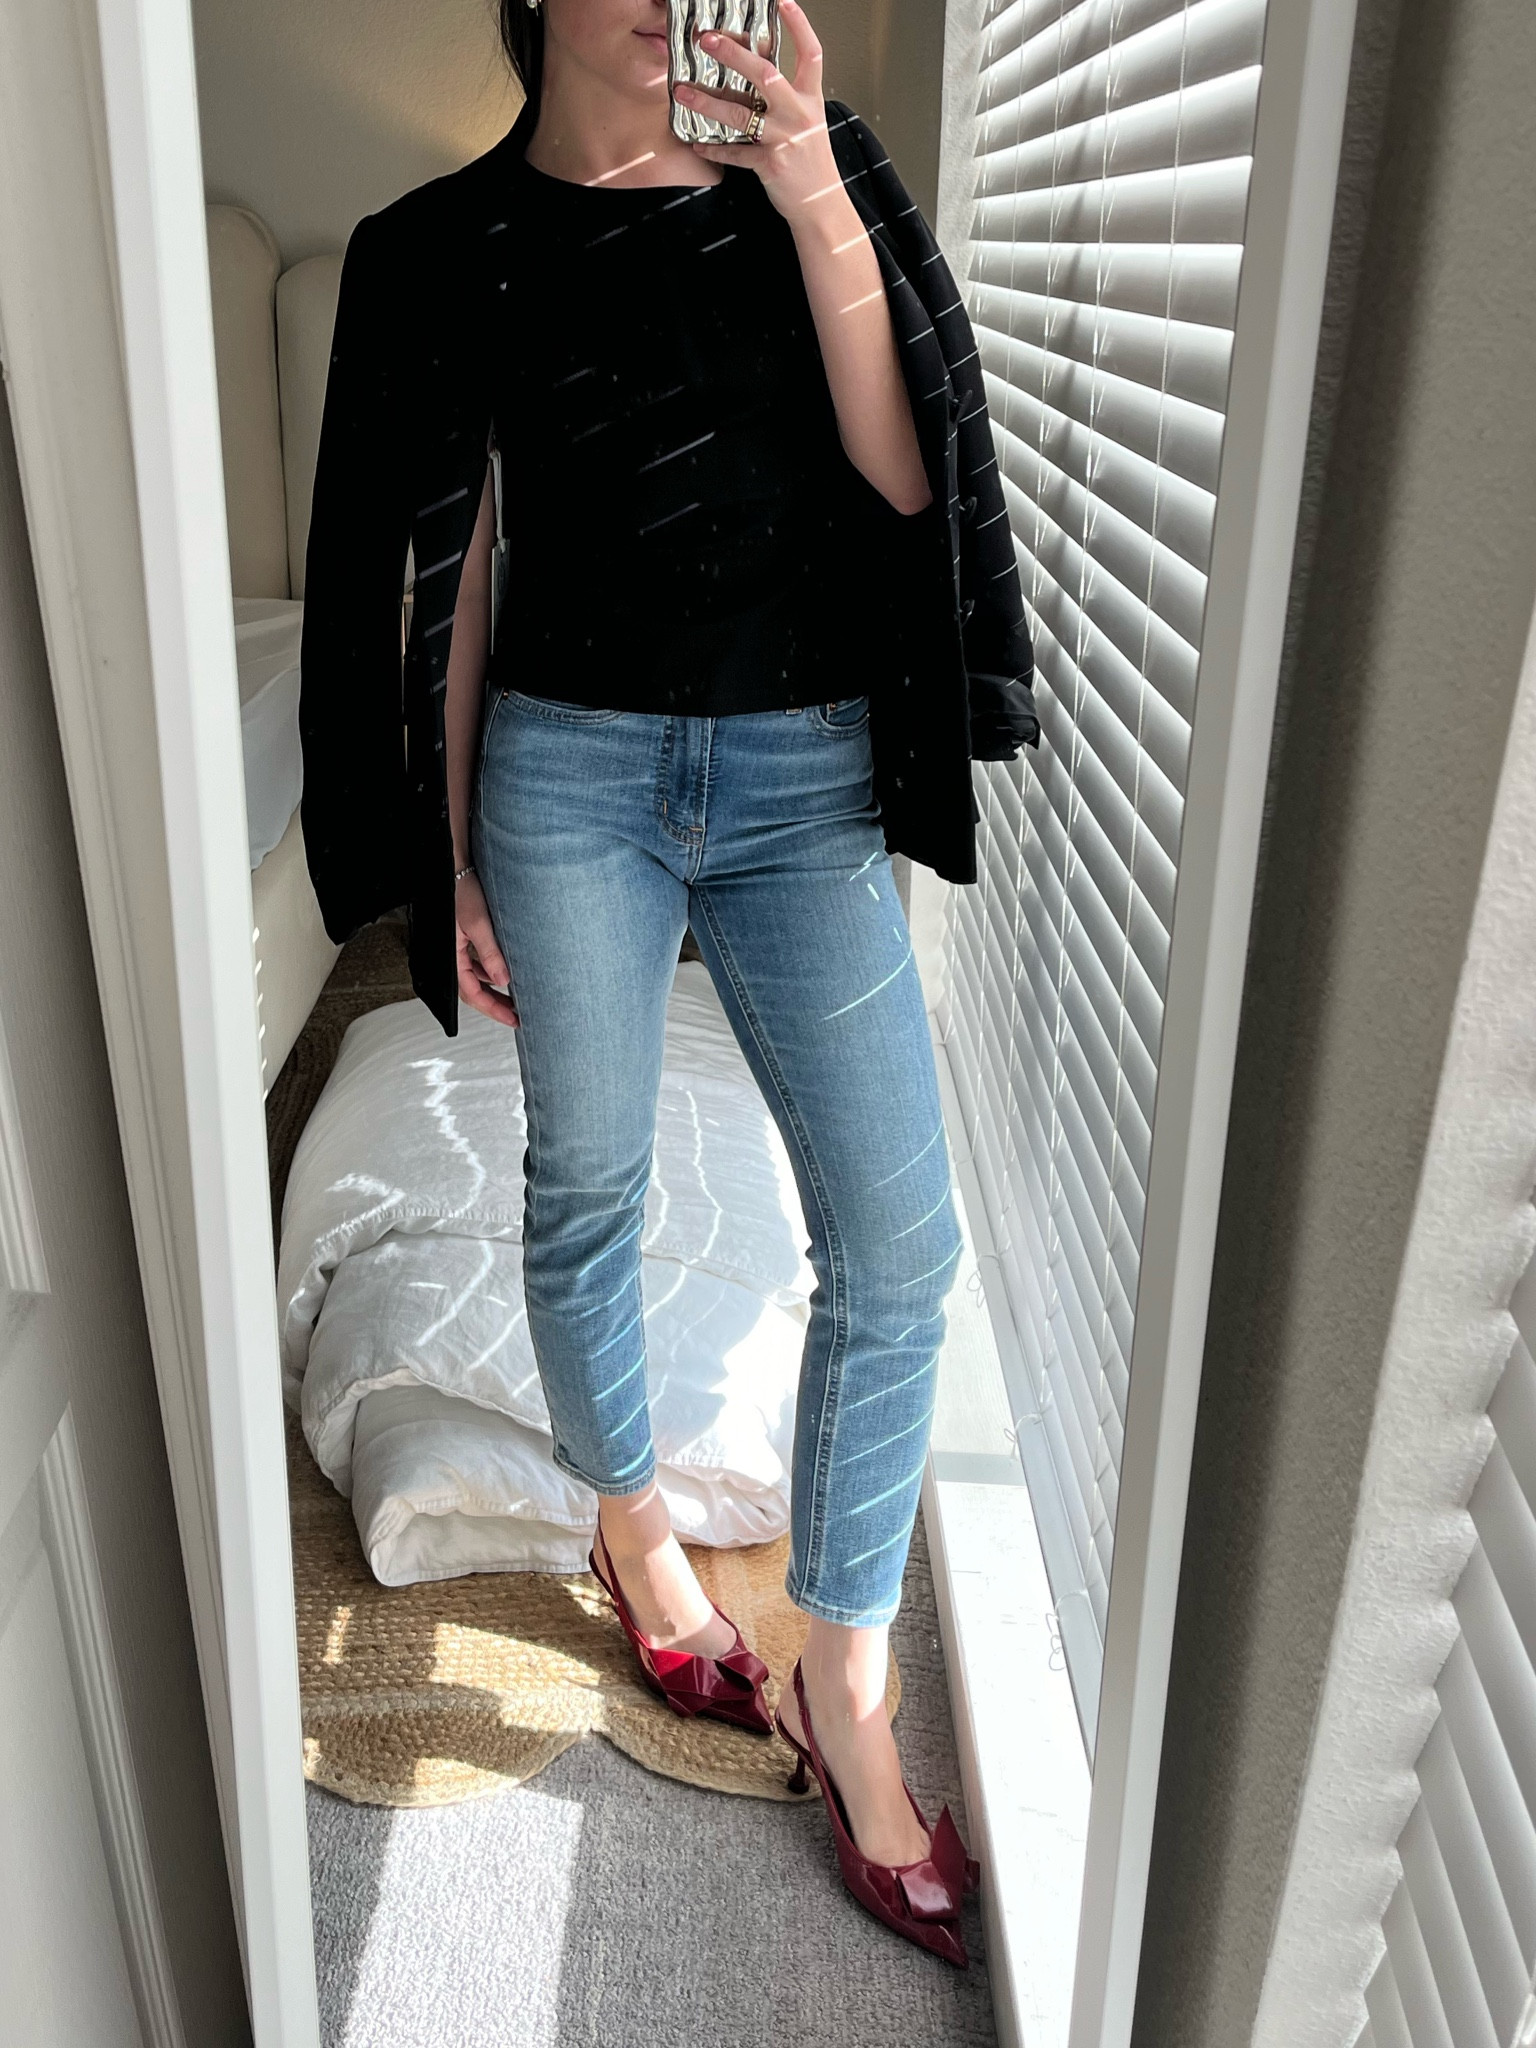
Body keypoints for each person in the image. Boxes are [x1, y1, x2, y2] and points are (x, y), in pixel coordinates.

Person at [299, 0, 1037, 1969]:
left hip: (804, 784)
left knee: (901, 1243)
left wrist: (808, 195)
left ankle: (844, 1677)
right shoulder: (444, 248)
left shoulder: (818, 174)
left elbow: (910, 482)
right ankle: (635, 1536)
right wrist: (455, 850)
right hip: (568, 783)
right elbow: (454, 567)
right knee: (588, 1187)